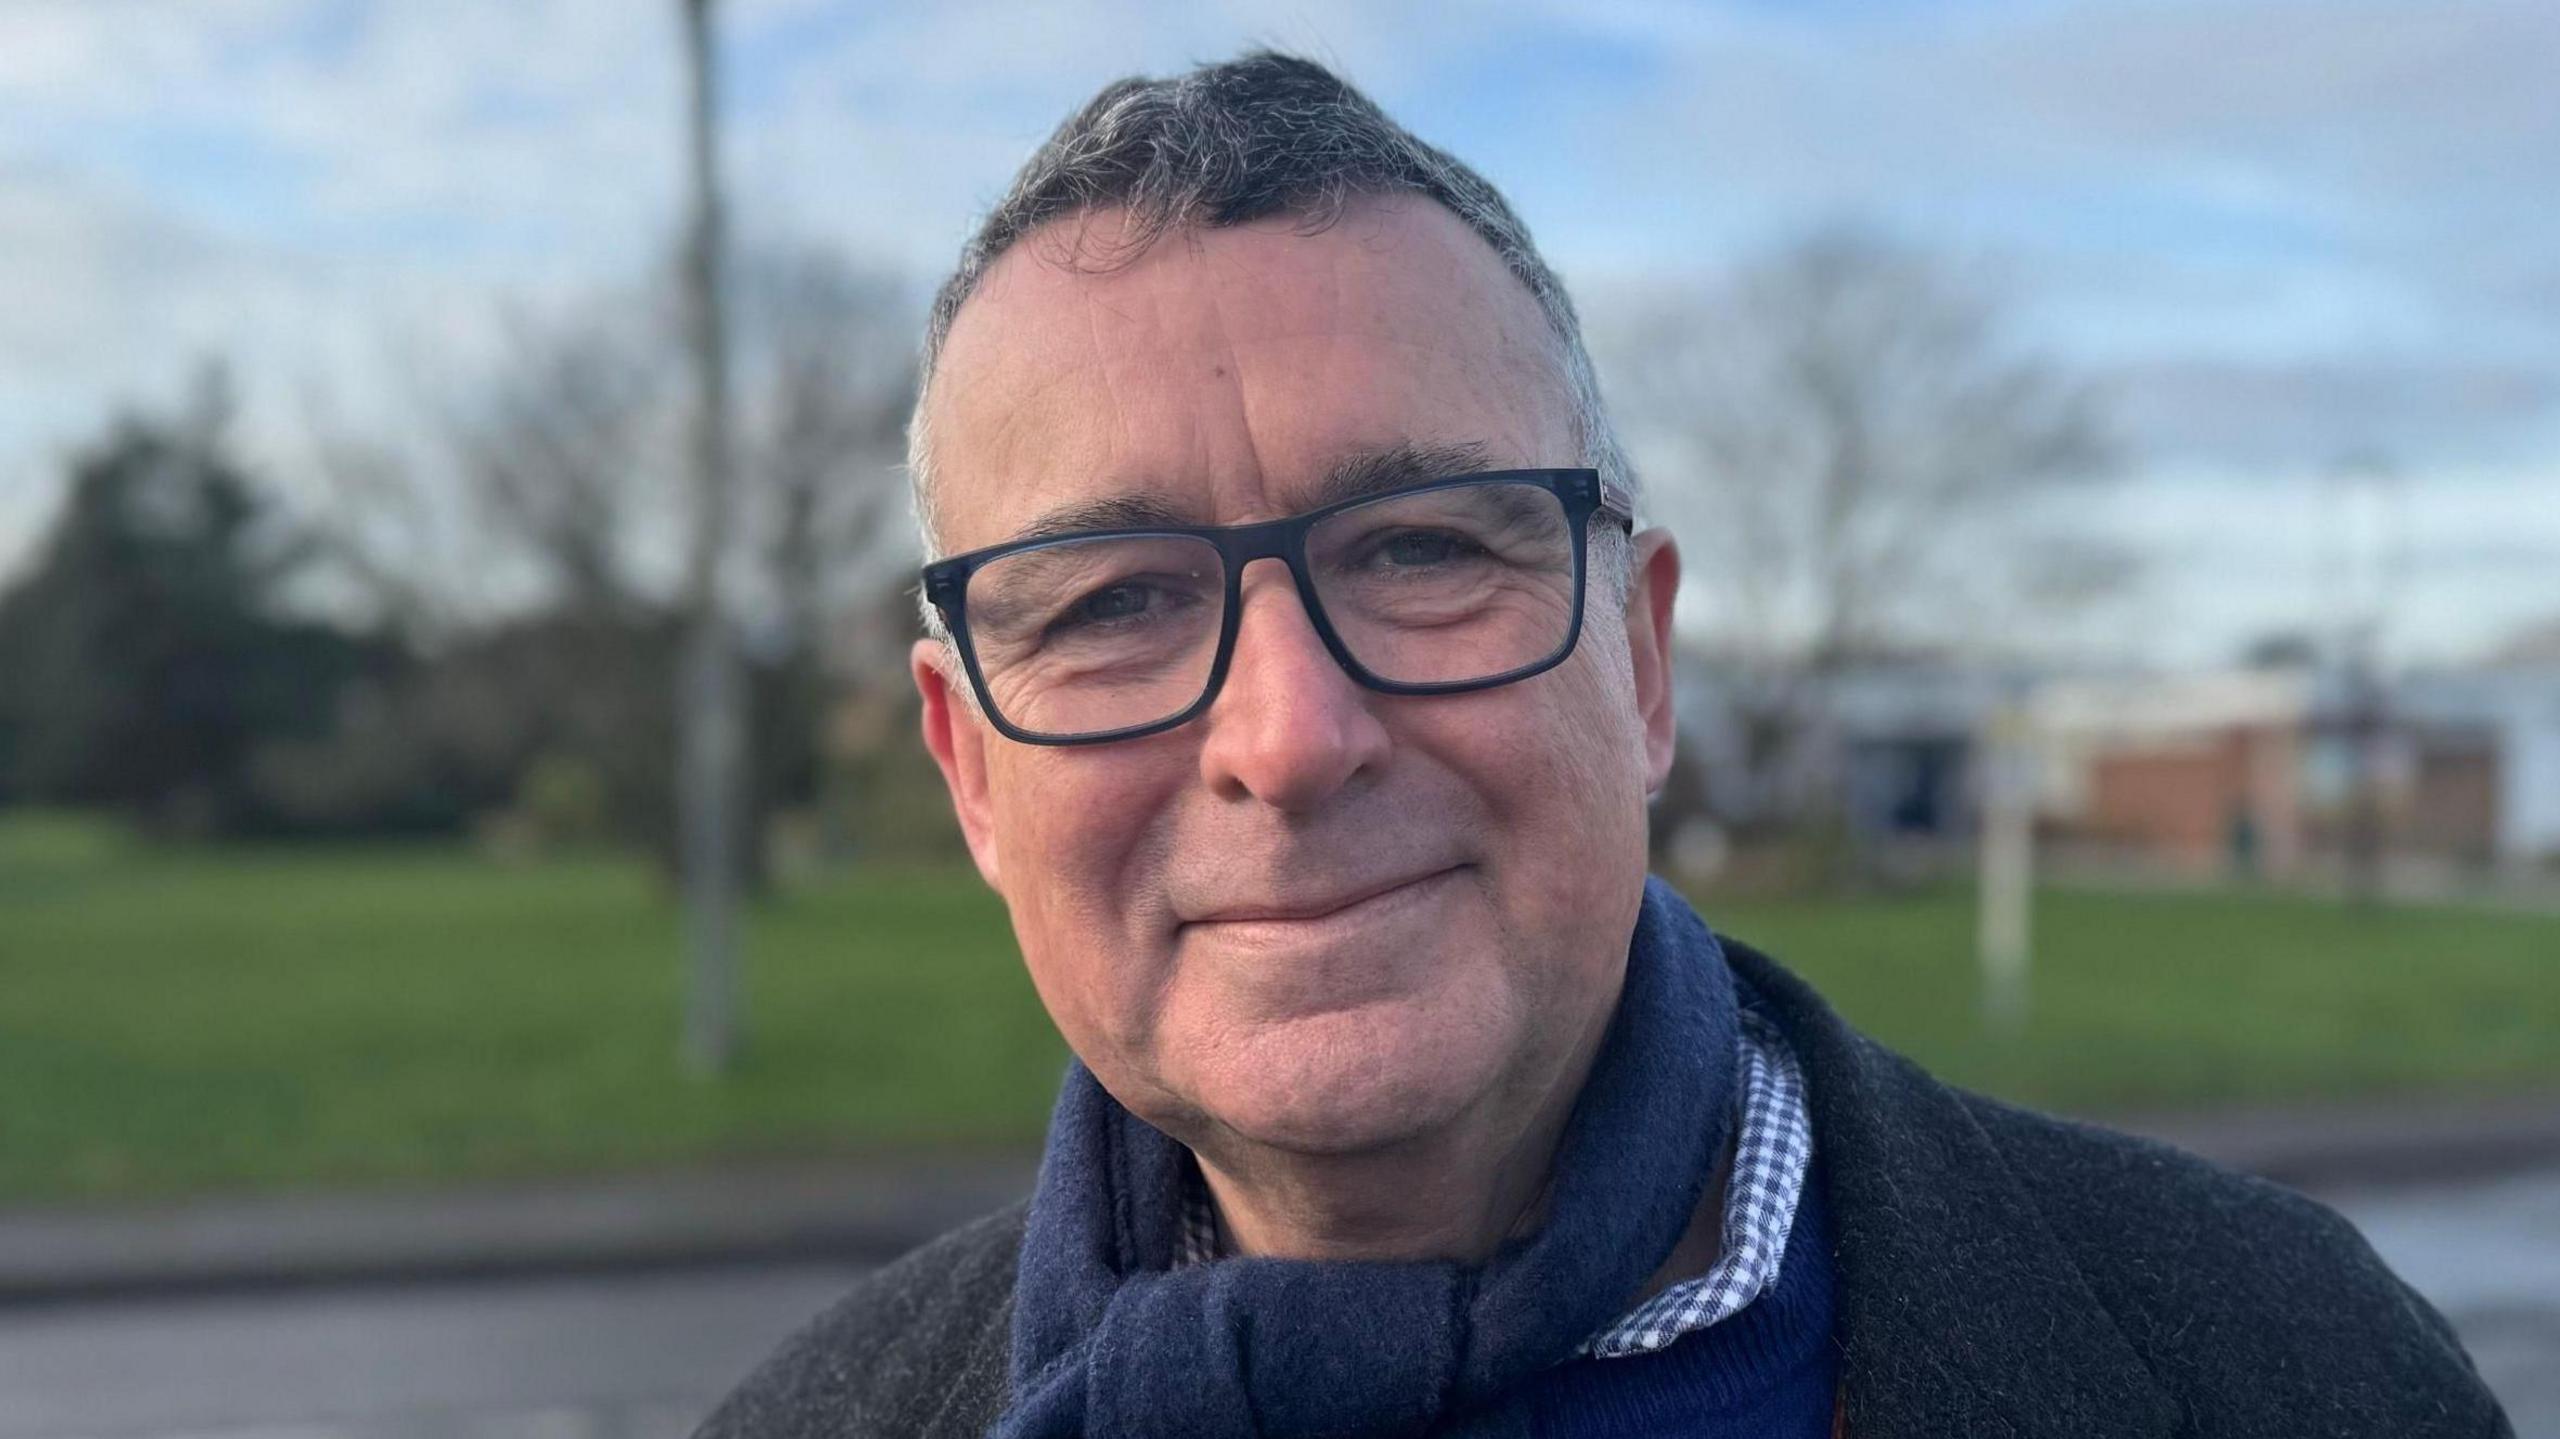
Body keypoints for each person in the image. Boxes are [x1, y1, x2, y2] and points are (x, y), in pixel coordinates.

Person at [697, 51, 2510, 1439]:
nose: (1291, 736)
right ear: (971, 771)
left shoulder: (2292, 1363)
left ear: (1641, 663)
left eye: (1420, 552)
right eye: (1108, 604)